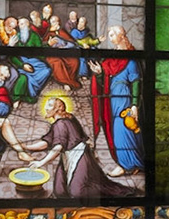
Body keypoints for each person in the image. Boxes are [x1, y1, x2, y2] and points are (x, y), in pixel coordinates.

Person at [11, 92, 136, 198]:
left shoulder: (60, 124)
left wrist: (40, 163)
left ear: (57, 109)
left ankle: (108, 195)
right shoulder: (67, 118)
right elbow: (46, 143)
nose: (46, 108)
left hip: (80, 157)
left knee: (77, 193)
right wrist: (25, 147)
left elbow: (58, 147)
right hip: (68, 157)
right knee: (60, 191)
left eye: (49, 105)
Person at [86, 26, 142, 174]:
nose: (110, 38)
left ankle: (127, 164)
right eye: (109, 35)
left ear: (121, 36)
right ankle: (129, 163)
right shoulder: (112, 58)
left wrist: (134, 105)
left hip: (124, 98)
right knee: (116, 129)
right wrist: (99, 73)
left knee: (122, 129)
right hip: (111, 98)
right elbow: (104, 79)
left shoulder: (130, 59)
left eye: (112, 35)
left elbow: (136, 81)